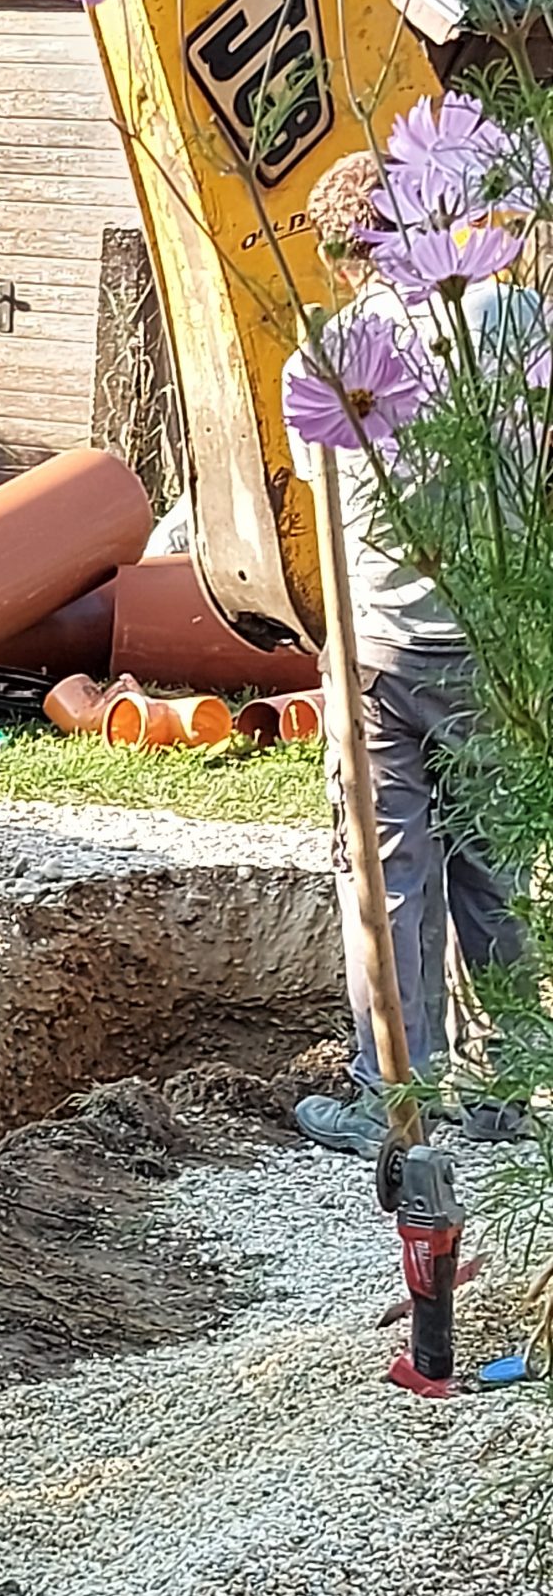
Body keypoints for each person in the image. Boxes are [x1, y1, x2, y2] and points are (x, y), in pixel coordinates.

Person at [286, 152, 531, 1159]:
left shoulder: (334, 348)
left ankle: (397, 1095)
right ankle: (511, 1084)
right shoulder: (517, 320)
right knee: (493, 867)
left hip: (384, 649)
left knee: (388, 879)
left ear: (349, 257)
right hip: (497, 644)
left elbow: (327, 511)